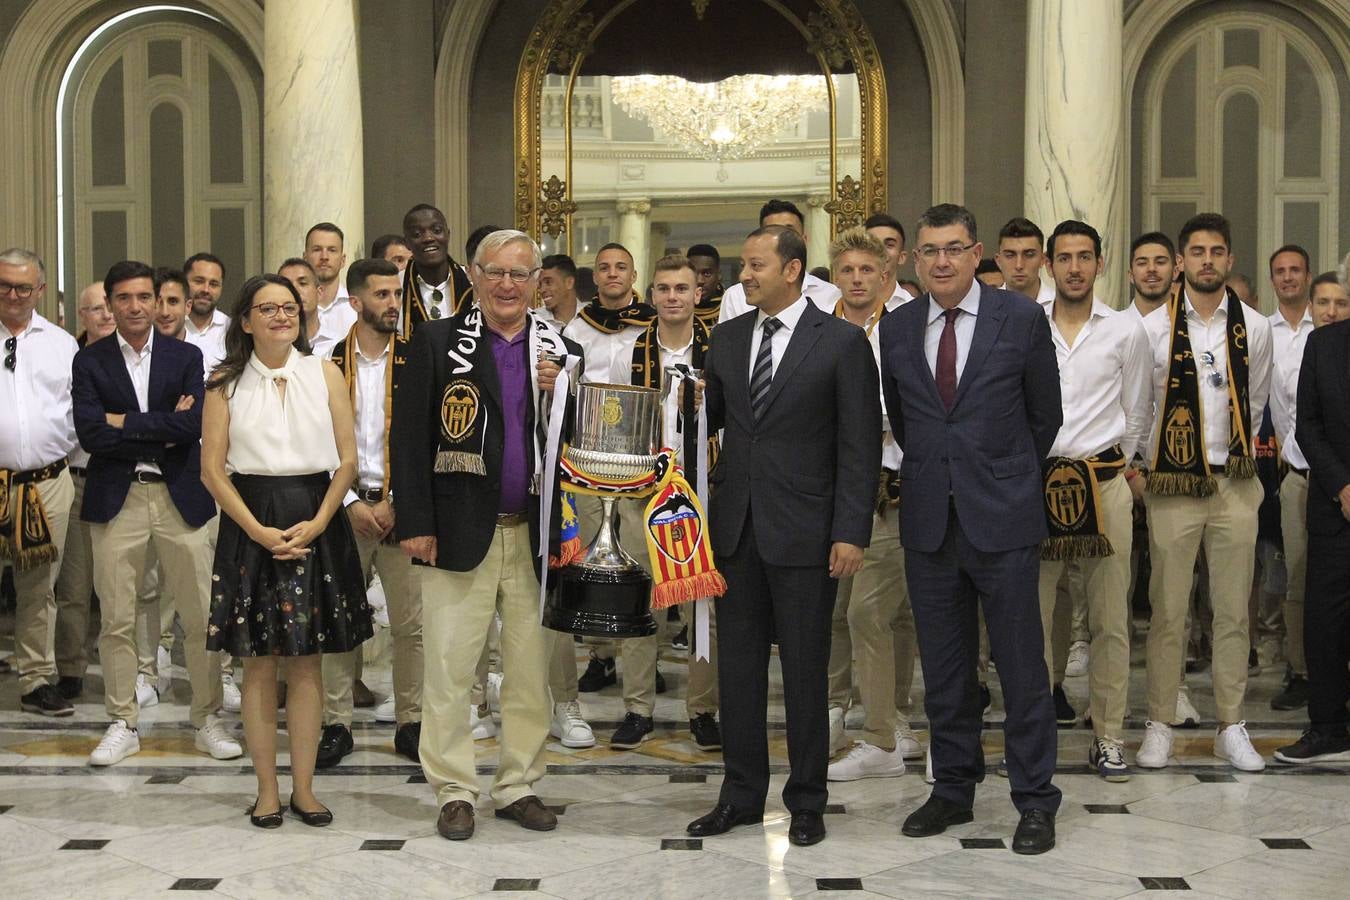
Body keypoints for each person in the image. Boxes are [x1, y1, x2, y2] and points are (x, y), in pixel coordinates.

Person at [686, 224, 879, 848]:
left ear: (792, 270)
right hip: (736, 531)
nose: (744, 275)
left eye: (756, 265)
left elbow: (859, 445)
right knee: (737, 675)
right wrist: (680, 400)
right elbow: (710, 421)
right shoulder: (730, 335)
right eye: (744, 265)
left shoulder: (843, 343)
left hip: (808, 532)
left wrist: (851, 531)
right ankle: (740, 796)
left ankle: (806, 801)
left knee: (804, 673)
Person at [879, 204, 1063, 854]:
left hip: (1004, 519)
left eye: (954, 249)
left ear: (976, 251)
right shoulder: (897, 327)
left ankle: (1035, 799)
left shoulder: (1019, 318)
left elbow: (1046, 414)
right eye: (929, 251)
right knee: (948, 671)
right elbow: (905, 419)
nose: (942, 262)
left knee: (1020, 668)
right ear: (915, 259)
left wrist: (999, 474)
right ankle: (953, 789)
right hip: (931, 522)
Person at [392, 229, 579, 841]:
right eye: (495, 273)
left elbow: (578, 447)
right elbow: (410, 439)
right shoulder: (437, 341)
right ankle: (453, 789)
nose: (507, 285)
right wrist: (416, 523)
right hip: (457, 531)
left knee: (530, 669)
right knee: (448, 667)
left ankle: (518, 783)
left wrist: (566, 399)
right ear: (473, 275)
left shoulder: (562, 350)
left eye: (519, 275)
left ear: (536, 282)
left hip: (535, 535)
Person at [201, 273, 370, 828]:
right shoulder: (224, 384)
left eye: (289, 307)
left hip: (315, 514)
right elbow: (213, 471)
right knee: (256, 665)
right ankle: (266, 791)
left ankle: (304, 789)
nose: (281, 315)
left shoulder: (324, 372)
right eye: (266, 308)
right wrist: (255, 530)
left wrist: (320, 521)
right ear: (245, 321)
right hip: (251, 519)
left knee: (306, 662)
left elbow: (347, 460)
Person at [72, 259, 240, 766]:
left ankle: (206, 718)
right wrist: (160, 424)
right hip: (116, 498)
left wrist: (124, 420)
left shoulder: (186, 356)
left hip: (179, 497)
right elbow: (90, 433)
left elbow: (192, 428)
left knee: (198, 615)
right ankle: (123, 721)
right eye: (123, 298)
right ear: (110, 304)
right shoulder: (90, 360)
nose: (136, 306)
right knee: (118, 618)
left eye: (144, 296)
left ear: (162, 300)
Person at [1138, 213, 1273, 774]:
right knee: (1169, 611)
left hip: (1235, 484)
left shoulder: (1257, 327)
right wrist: (1148, 469)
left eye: (1217, 251)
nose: (1207, 261)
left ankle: (1230, 724)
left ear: (1230, 260)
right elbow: (1142, 406)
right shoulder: (1152, 329)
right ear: (1182, 262)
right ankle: (1160, 723)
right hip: (1172, 484)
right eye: (1196, 251)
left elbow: (1257, 402)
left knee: (1233, 609)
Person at [1036, 220, 1151, 781]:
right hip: (1037, 486)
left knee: (1110, 619)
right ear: (1049, 266)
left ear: (1100, 264)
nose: (1075, 267)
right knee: (1033, 616)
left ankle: (1108, 736)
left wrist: (1114, 465)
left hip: (1104, 486)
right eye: (1064, 258)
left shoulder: (1125, 331)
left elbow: (1137, 413)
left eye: (1085, 257)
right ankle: (1033, 734)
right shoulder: (1027, 325)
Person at [607, 255, 722, 752]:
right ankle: (637, 708)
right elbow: (612, 427)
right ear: (650, 296)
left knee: (703, 606)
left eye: (682, 288)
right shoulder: (627, 352)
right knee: (638, 603)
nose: (673, 296)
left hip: (704, 491)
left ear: (698, 294)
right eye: (663, 289)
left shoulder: (722, 351)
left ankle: (704, 710)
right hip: (640, 492)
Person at [823, 228, 921, 782]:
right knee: (843, 608)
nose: (858, 280)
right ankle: (867, 711)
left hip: (894, 482)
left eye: (868, 270)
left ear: (886, 274)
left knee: (873, 609)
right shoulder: (821, 326)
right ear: (835, 274)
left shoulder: (905, 328)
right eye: (847, 270)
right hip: (835, 484)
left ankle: (883, 733)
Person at [318, 258, 425, 766]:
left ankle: (412, 722)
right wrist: (353, 502)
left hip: (402, 506)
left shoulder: (420, 357)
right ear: (356, 302)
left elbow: (431, 437)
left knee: (411, 625)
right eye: (381, 294)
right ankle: (335, 724)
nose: (392, 303)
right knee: (340, 621)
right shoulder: (326, 363)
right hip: (344, 509)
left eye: (396, 294)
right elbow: (315, 442)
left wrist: (398, 501)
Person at [1276, 259, 1350, 765]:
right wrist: (1343, 484)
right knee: (1325, 619)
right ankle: (1327, 725)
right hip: (1334, 503)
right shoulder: (1323, 345)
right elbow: (1309, 427)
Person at [1, 247, 79, 718]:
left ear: (40, 291)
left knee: (38, 587)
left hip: (46, 482)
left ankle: (34, 679)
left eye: (23, 287)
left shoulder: (61, 343)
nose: (13, 295)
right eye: (5, 285)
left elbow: (76, 409)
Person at [52, 281, 115, 700]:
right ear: (82, 316)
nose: (106, 315)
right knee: (73, 586)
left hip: (119, 477)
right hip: (75, 479)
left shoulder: (132, 358)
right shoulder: (64, 357)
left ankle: (124, 672)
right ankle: (71, 668)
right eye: (96, 310)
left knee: (118, 586)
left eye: (110, 307)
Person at [716, 200, 842, 323]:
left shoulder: (830, 294)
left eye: (789, 232)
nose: (781, 239)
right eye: (772, 232)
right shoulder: (736, 296)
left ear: (803, 240)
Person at [399, 204, 475, 335]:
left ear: (448, 235)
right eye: (417, 234)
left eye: (437, 230)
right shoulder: (396, 286)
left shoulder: (472, 281)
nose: (428, 238)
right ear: (407, 243)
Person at [278, 257, 340, 358]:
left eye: (302, 283)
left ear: (319, 292)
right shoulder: (272, 345)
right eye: (287, 285)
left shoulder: (337, 345)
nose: (295, 290)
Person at [304, 222, 358, 339]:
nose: (324, 257)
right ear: (305, 258)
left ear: (343, 260)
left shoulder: (356, 308)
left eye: (332, 250)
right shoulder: (294, 308)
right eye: (317, 249)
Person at [183, 252, 229, 374]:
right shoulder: (169, 326)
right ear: (183, 283)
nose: (206, 290)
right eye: (199, 281)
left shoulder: (232, 330)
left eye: (214, 284)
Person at [995, 217, 1052, 302]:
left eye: (1029, 255)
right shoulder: (984, 307)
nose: (1019, 265)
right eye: (1010, 255)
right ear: (998, 261)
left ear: (1042, 259)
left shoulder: (1059, 305)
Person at [864, 213, 916, 305]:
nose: (880, 251)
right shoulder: (834, 306)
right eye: (872, 244)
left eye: (889, 245)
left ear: (902, 257)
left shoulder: (915, 308)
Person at [686, 243, 724, 326]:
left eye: (707, 274)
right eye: (694, 273)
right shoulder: (673, 307)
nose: (699, 281)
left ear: (719, 275)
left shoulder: (732, 307)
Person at [538, 253, 580, 328]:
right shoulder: (534, 321)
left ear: (569, 283)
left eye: (548, 282)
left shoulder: (593, 318)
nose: (542, 290)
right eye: (540, 284)